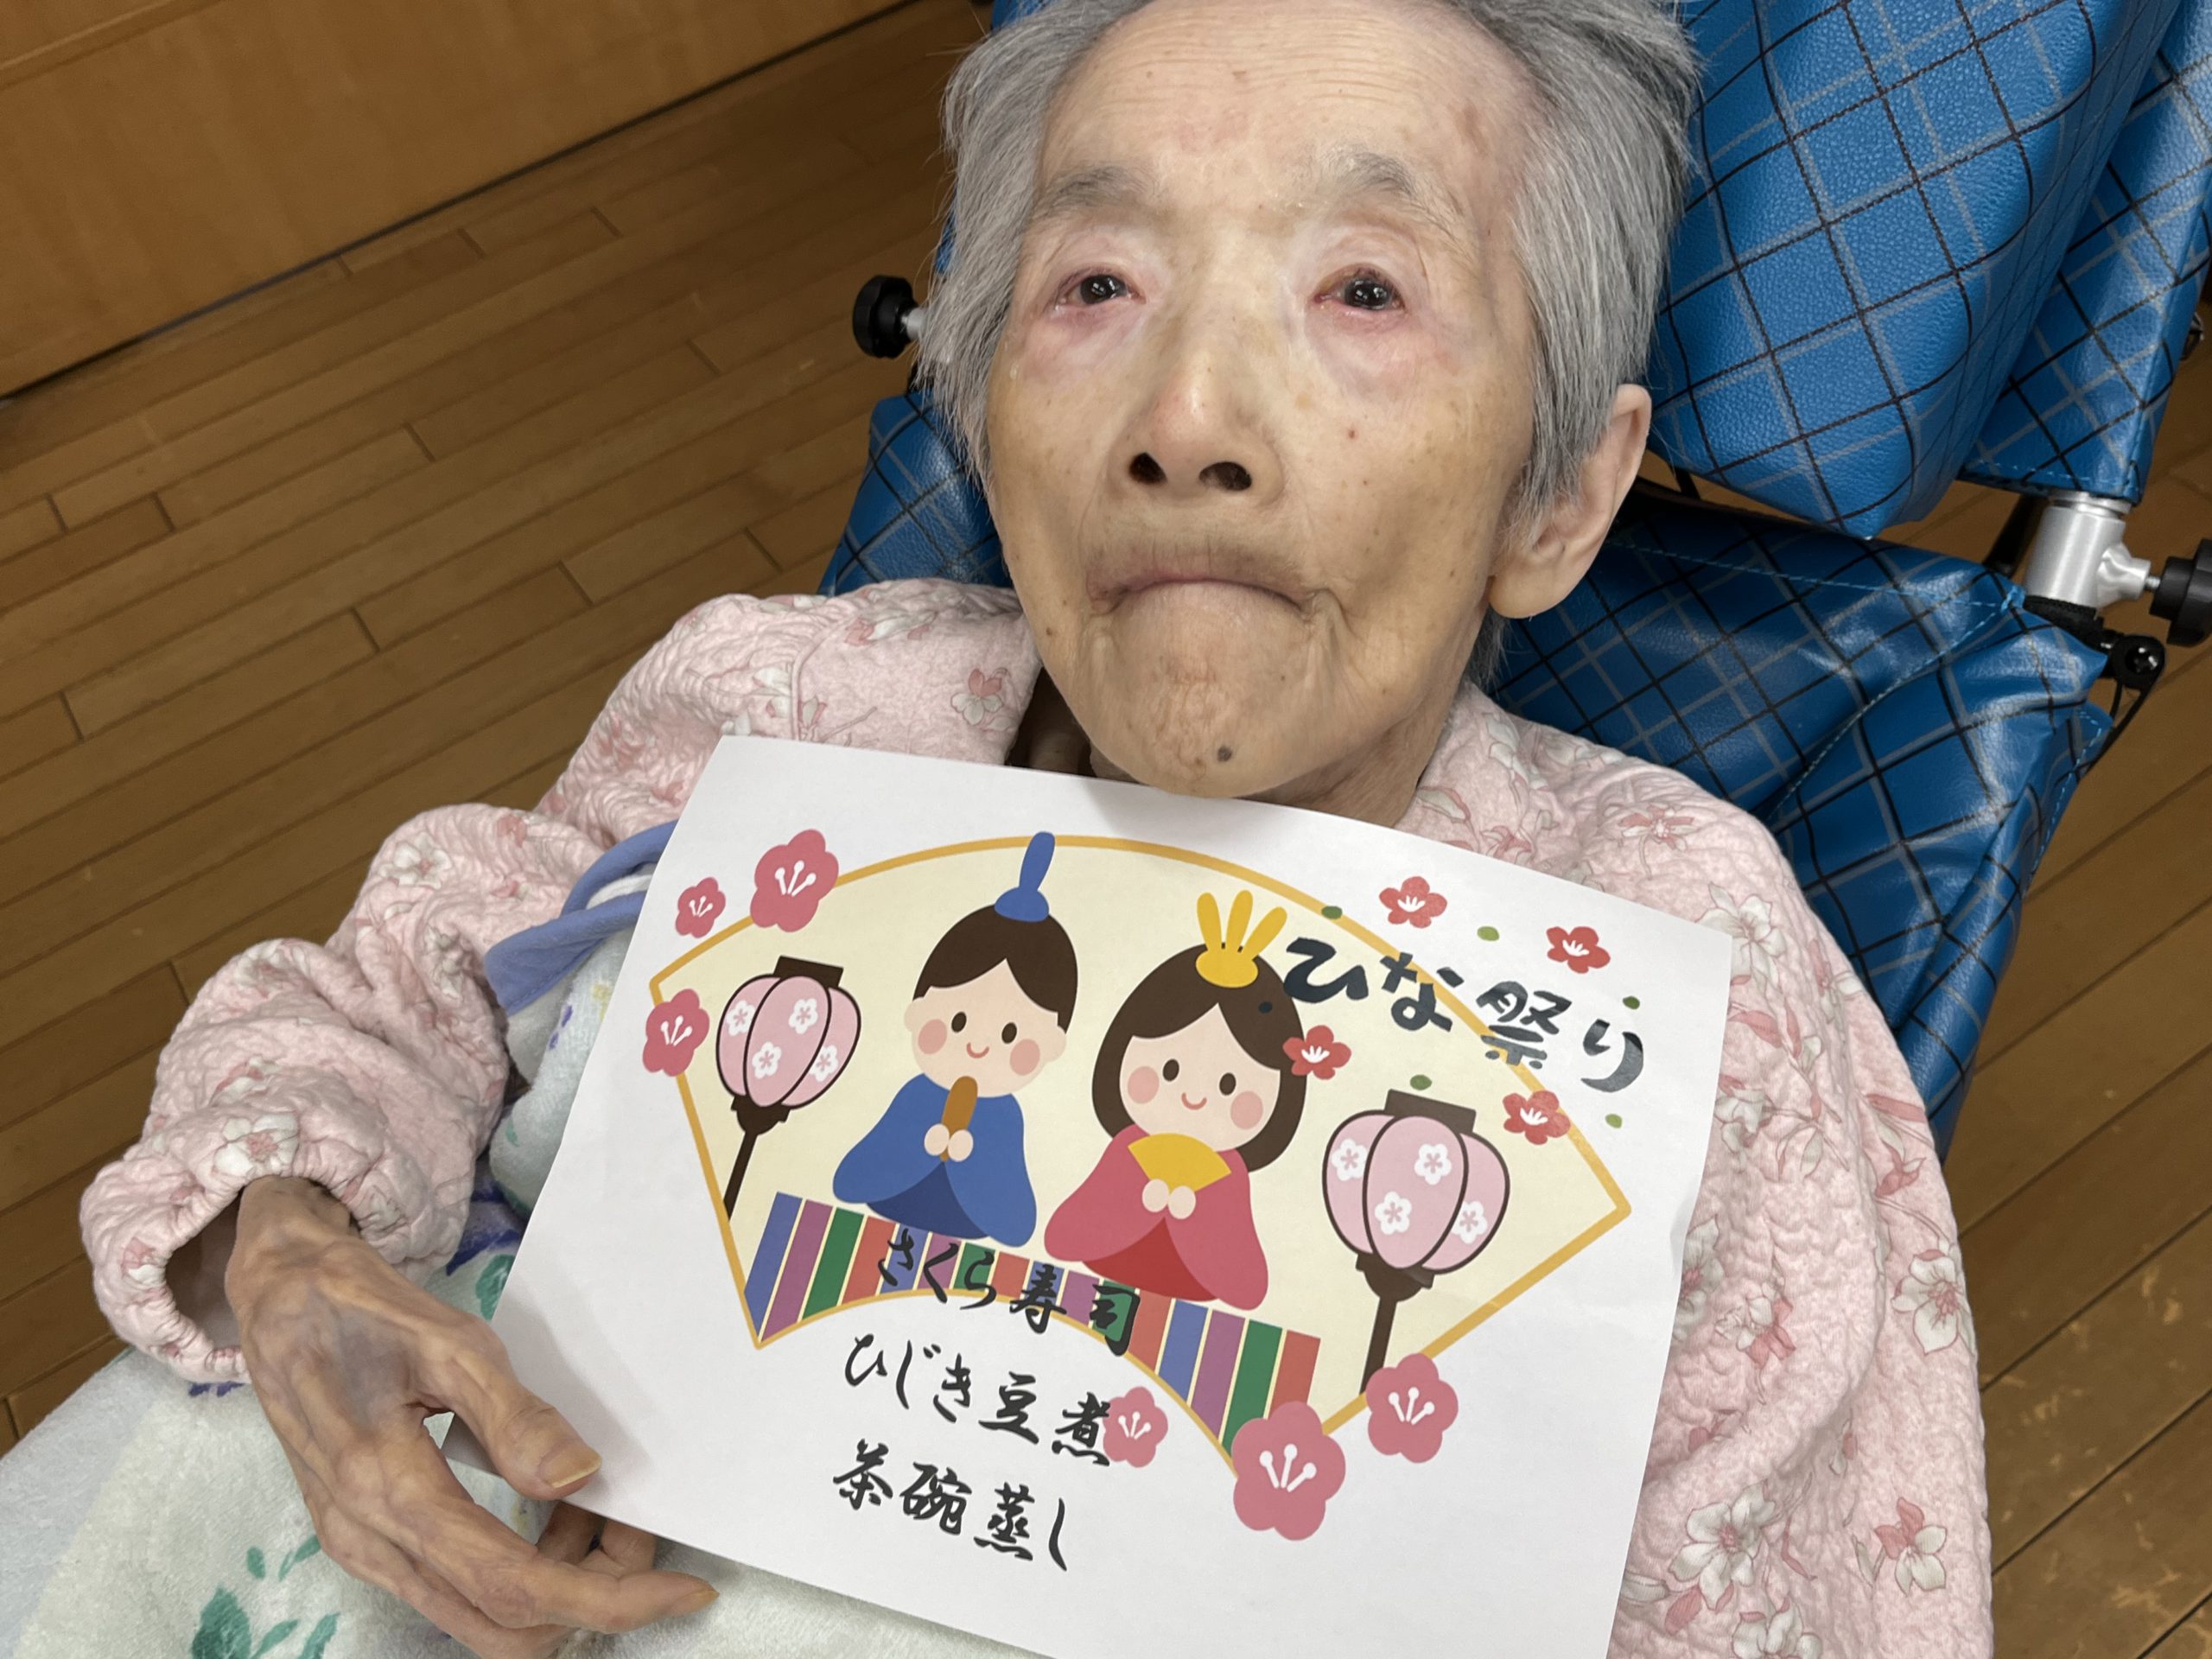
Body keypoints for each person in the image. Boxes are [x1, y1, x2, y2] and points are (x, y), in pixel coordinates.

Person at [77, 0, 1993, 1655]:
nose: (1188, 418)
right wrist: (285, 1244)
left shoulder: (1688, 973)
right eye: (1096, 286)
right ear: (985, 411)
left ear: (1558, 494)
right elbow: (384, 1007)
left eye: (1362, 288)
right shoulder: (779, 707)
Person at [1044, 890, 1305, 1308]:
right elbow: (1062, 1238)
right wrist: (1138, 1200)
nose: (1195, 1095)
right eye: (1169, 1070)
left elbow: (1246, 1288)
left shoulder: (1230, 1173)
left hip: (1189, 1295)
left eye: (1228, 1085)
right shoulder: (1129, 1147)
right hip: (1103, 1277)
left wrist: (1195, 1213)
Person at [832, 832, 1077, 1243]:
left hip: (966, 1231)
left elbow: (1016, 1224)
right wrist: (919, 1143)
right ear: (919, 1010)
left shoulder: (1006, 1116)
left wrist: (973, 1158)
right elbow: (852, 1179)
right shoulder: (916, 1093)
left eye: (1010, 1034)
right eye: (957, 1022)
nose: (978, 1046)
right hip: (893, 1209)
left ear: (1050, 1046)